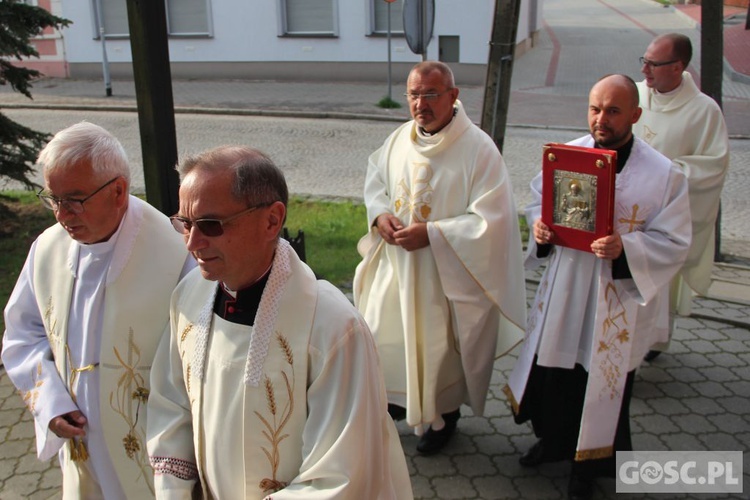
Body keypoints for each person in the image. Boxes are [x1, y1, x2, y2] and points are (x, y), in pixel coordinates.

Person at [146, 146, 412, 499]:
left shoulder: (333, 328)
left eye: (211, 224)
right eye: (185, 223)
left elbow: (339, 475)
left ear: (272, 220)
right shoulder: (188, 296)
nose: (193, 242)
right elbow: (171, 407)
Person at [504, 75, 692, 500]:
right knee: (553, 373)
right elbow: (539, 201)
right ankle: (552, 442)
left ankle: (587, 467)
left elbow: (676, 240)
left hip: (614, 299)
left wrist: (627, 247)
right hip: (567, 287)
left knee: (600, 384)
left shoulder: (664, 175)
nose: (600, 119)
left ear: (636, 115)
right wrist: (540, 228)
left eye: (613, 110)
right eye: (594, 108)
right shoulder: (568, 156)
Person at [1, 121, 194, 498]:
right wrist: (48, 404)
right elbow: (23, 334)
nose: (61, 214)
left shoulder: (176, 255)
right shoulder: (47, 250)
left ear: (118, 190)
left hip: (155, 454)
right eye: (52, 199)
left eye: (74, 200)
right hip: (81, 449)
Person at [353, 60, 527, 455]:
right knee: (385, 336)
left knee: (438, 350)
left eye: (431, 94)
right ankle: (397, 404)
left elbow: (492, 221)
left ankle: (444, 420)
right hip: (397, 269)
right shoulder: (399, 139)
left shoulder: (479, 150)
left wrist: (433, 234)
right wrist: (380, 214)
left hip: (446, 276)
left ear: (453, 96)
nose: (421, 104)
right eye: (414, 94)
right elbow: (375, 179)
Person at [633, 33, 730, 361]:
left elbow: (713, 167)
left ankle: (652, 342)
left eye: (654, 64)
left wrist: (668, 171)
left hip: (666, 216)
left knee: (660, 283)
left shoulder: (704, 111)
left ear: (677, 67)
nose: (645, 69)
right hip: (627, 211)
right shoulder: (633, 94)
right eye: (644, 60)